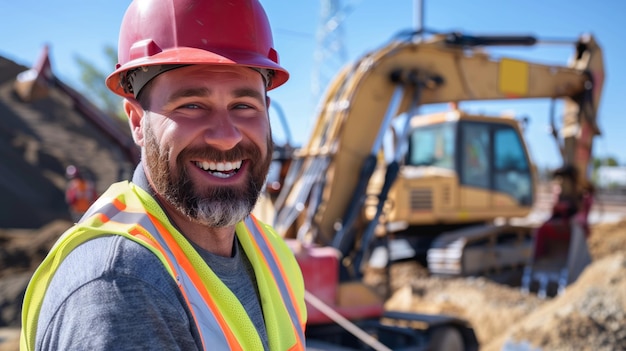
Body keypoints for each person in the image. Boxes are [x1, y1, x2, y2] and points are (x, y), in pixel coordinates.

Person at [20, 0, 307, 350]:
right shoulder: (121, 289)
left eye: (244, 106)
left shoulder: (270, 252)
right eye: (192, 105)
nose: (226, 135)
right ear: (138, 122)